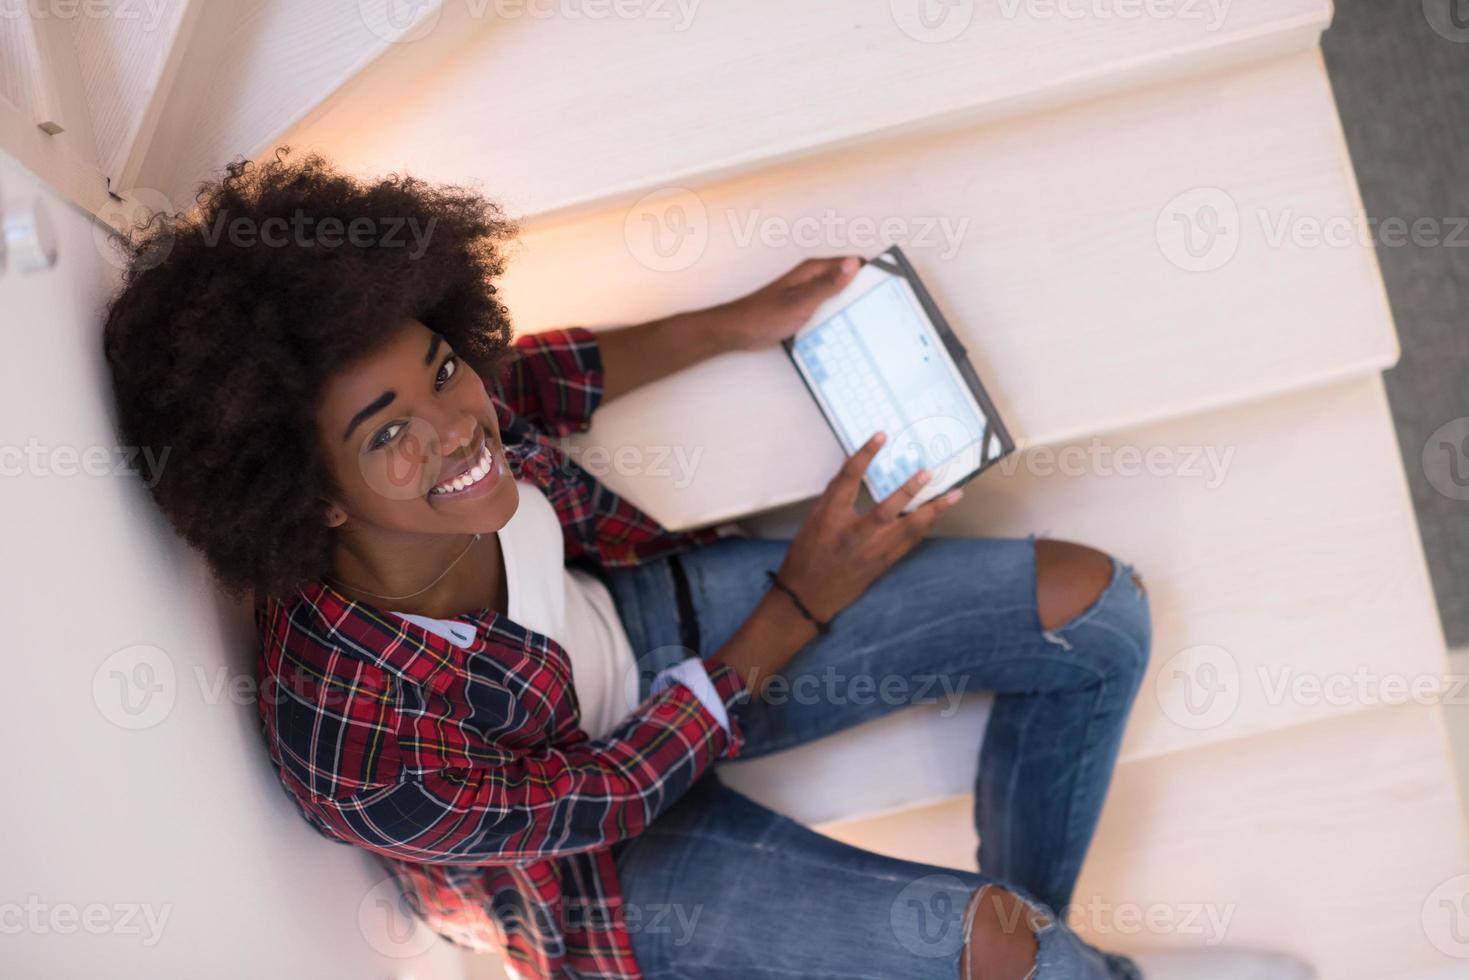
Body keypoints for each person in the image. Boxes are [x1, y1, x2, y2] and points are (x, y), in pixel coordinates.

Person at [101, 149, 1313, 979]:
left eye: (440, 367)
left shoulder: (461, 419)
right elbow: (600, 798)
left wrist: (740, 316)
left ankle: (1045, 954)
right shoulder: (344, 729)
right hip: (607, 872)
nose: (456, 426)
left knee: (1092, 613)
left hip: (643, 640)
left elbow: (542, 375)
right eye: (389, 433)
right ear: (305, 492)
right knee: (1007, 948)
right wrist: (800, 596)